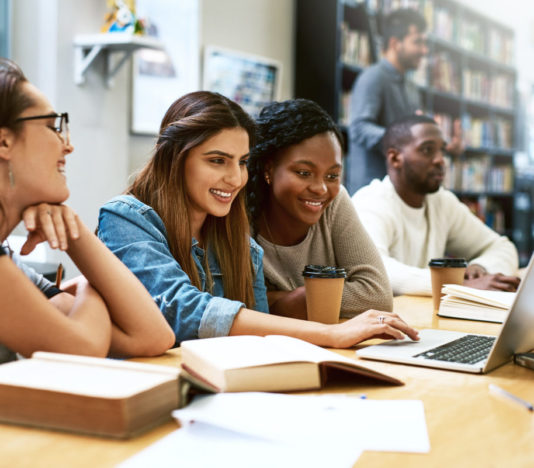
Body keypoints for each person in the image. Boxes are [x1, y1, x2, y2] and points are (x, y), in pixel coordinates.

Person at [97, 91, 418, 348]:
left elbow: (260, 338)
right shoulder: (125, 218)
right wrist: (333, 334)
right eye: (218, 161)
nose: (235, 178)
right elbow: (184, 311)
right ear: (175, 158)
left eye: (241, 162)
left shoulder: (238, 242)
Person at [0, 58, 175, 363]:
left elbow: (151, 336)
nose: (67, 145)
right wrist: (91, 282)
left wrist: (76, 232)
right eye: (52, 127)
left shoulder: (10, 263)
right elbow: (83, 349)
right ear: (3, 141)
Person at [246, 98, 392, 320]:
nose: (321, 188)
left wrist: (287, 300)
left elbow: (377, 296)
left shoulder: (335, 202)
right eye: (304, 173)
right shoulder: (239, 210)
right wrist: (320, 297)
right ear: (269, 168)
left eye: (332, 175)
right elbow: (233, 304)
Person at [352, 115, 520, 296]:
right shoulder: (370, 202)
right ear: (394, 158)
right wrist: (458, 285)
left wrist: (480, 267)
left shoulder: (442, 202)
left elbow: (502, 247)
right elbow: (375, 270)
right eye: (427, 150)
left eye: (442, 151)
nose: (441, 160)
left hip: (421, 316)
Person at [345, 8, 464, 193]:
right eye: (418, 42)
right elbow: (359, 129)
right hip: (372, 194)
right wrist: (404, 140)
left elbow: (415, 138)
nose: (424, 51)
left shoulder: (412, 87)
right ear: (395, 43)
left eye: (425, 43)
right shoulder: (372, 78)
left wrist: (443, 146)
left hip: (401, 192)